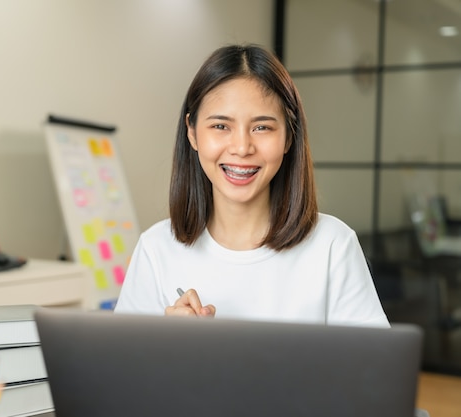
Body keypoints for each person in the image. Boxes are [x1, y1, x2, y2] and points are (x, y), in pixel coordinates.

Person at [114, 44, 389, 328]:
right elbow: (119, 370)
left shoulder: (333, 246)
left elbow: (376, 368)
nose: (242, 148)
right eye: (221, 126)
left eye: (262, 127)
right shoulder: (156, 249)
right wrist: (165, 344)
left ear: (289, 138)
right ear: (192, 133)